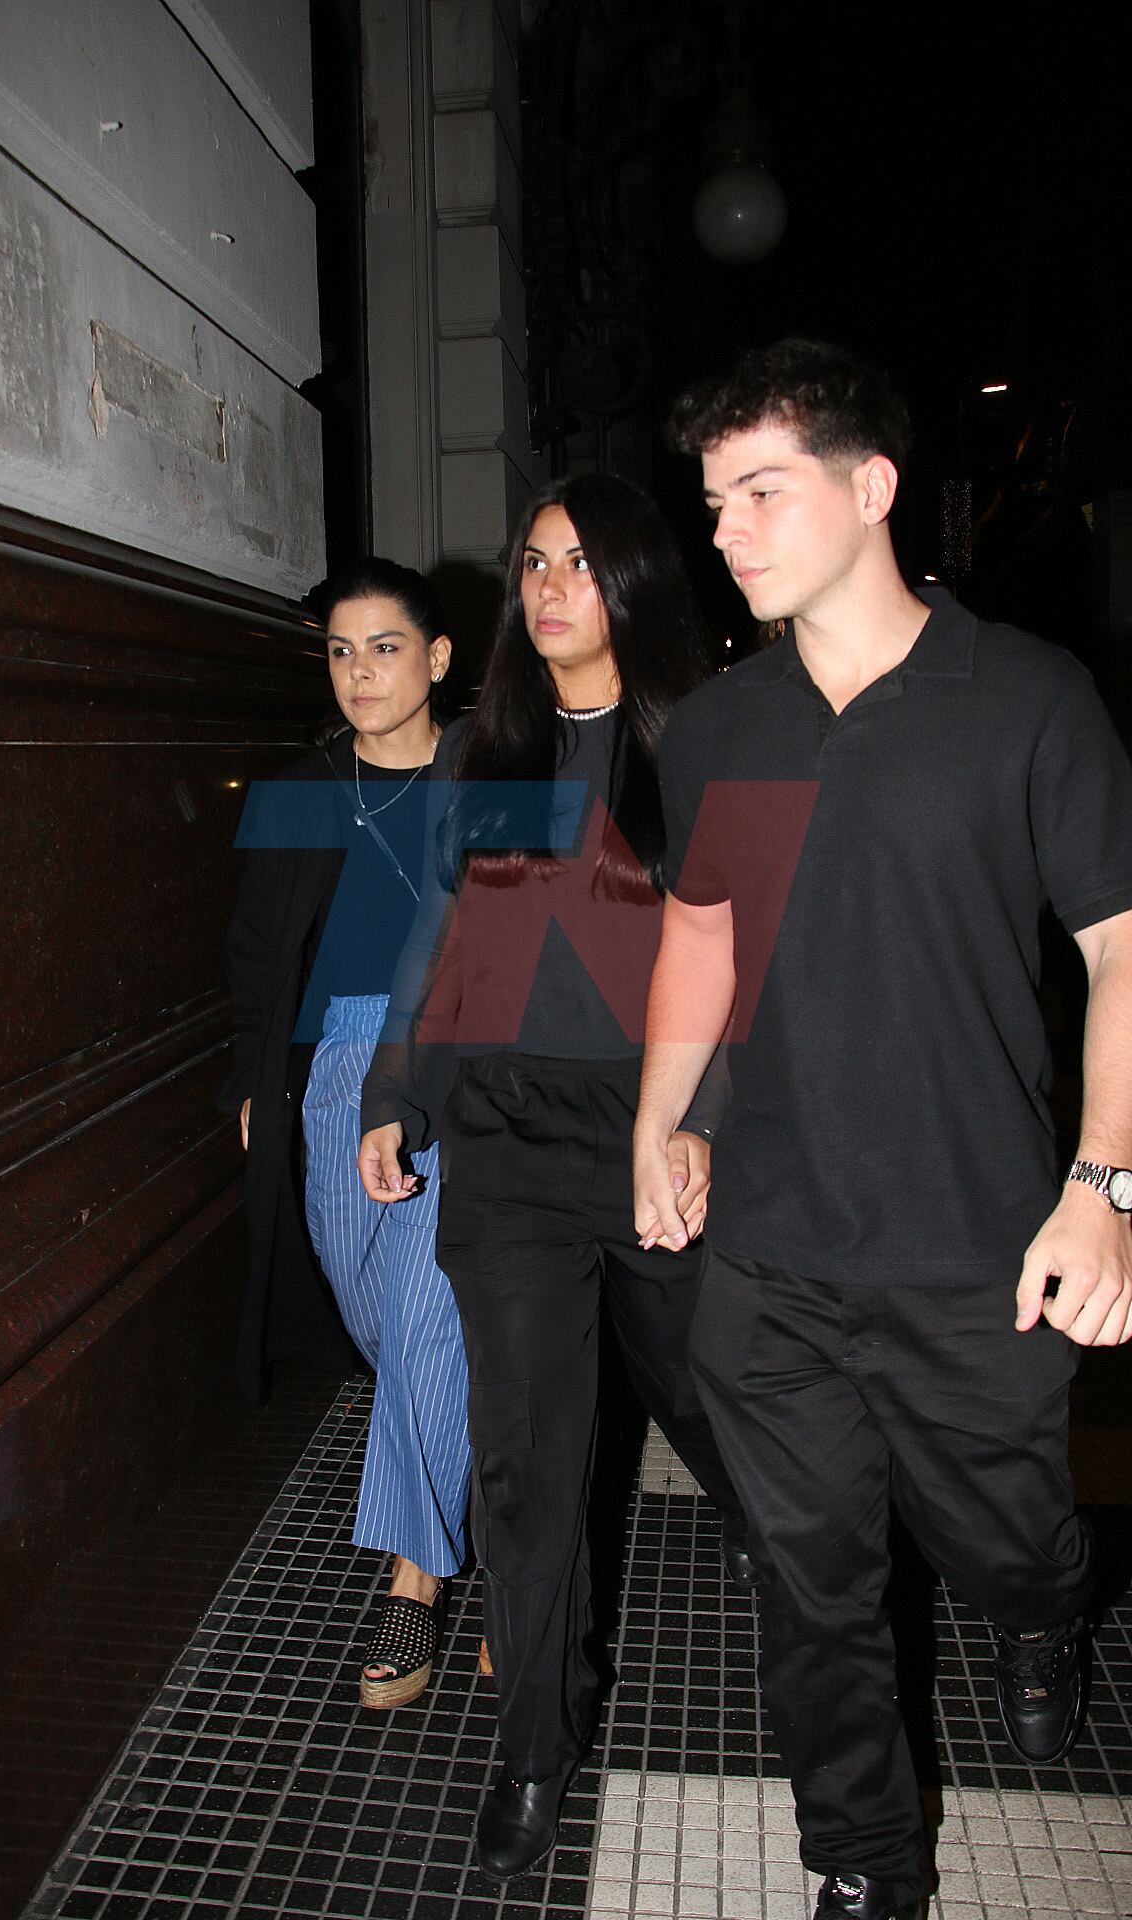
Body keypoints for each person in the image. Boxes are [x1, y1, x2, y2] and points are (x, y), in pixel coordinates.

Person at [633, 338, 1132, 1920]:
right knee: (811, 1584)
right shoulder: (718, 730)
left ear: (872, 489)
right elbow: (703, 939)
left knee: (1009, 1543)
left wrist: (1106, 1184)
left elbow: (1122, 950)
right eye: (715, 503)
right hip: (774, 1256)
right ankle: (864, 1865)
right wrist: (668, 1123)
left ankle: (1043, 1615)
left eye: (762, 490)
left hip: (978, 1244)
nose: (729, 530)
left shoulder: (1028, 700)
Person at [357, 474, 749, 1881]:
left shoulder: (709, 743)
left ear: (636, 582)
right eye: (534, 561)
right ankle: (533, 1742)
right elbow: (432, 942)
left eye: (580, 563)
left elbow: (747, 964)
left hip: (652, 1137)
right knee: (526, 1465)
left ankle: (816, 1565)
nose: (547, 585)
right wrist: (394, 1090)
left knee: (722, 1404)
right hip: (513, 1144)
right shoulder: (488, 750)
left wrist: (703, 1120)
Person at [221, 558, 470, 1709]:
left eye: (382, 647)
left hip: (456, 1064)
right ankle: (495, 1483)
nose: (359, 672)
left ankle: (413, 1588)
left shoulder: (494, 774)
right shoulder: (297, 787)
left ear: (436, 659)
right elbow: (254, 957)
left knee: (426, 1310)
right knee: (371, 1307)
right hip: (329, 1067)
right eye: (338, 650)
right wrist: (248, 1082)